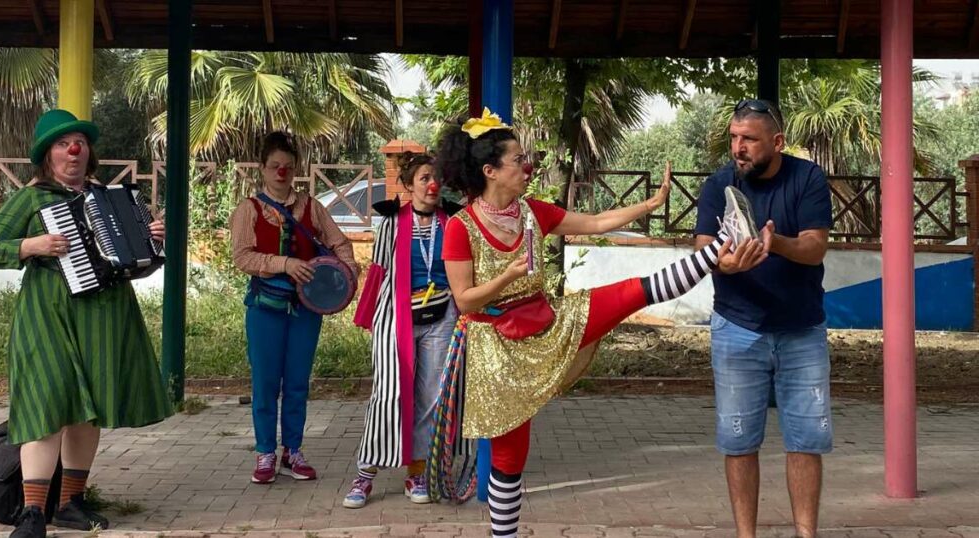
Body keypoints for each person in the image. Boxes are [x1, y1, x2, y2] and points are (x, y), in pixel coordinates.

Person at [436, 108, 761, 538]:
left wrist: (649, 204)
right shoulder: (461, 227)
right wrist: (507, 277)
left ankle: (722, 241)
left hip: (546, 324)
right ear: (490, 171)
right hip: (496, 350)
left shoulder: (531, 211)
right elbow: (464, 299)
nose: (527, 167)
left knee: (630, 293)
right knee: (509, 458)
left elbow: (594, 223)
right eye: (518, 160)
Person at [0, 109, 175, 538]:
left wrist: (151, 241)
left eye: (80, 143)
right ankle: (32, 513)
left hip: (104, 316)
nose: (74, 150)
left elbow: (136, 265)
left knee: (90, 411)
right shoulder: (31, 199)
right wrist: (32, 245)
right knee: (46, 405)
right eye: (64, 143)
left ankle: (70, 503)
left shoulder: (111, 197)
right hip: (46, 315)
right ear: (47, 155)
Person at [694, 98, 833, 538]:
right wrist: (723, 263)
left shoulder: (808, 178)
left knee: (806, 442)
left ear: (776, 141)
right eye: (734, 138)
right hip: (736, 329)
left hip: (802, 331)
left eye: (749, 139)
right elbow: (702, 246)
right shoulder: (719, 185)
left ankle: (806, 534)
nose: (739, 148)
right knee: (738, 443)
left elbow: (815, 247)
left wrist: (776, 244)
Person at [230, 132, 359, 485]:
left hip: (306, 310)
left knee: (298, 382)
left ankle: (294, 452)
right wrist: (284, 264)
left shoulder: (313, 208)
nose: (281, 173)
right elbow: (242, 256)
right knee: (265, 382)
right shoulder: (249, 210)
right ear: (262, 168)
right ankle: (264, 453)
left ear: (296, 168)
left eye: (288, 167)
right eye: (275, 166)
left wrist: (345, 274)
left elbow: (340, 245)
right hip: (265, 308)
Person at [343, 152, 461, 508]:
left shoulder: (452, 222)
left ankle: (417, 472)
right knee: (388, 395)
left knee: (430, 397)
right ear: (409, 185)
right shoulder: (391, 223)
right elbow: (378, 273)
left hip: (442, 319)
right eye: (424, 177)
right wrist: (368, 320)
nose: (432, 184)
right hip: (397, 318)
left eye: (436, 177)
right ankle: (365, 474)